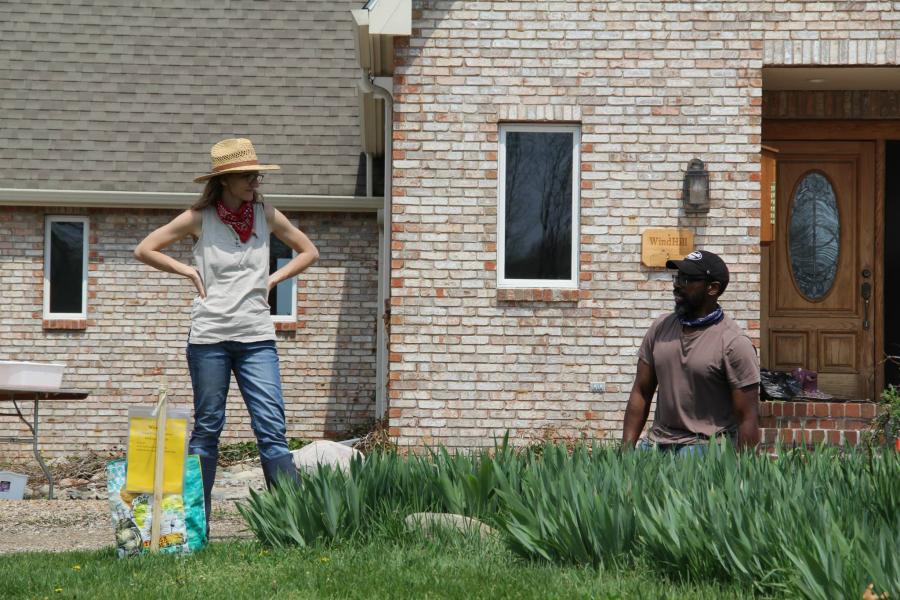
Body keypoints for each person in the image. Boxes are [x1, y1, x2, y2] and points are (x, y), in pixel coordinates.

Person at [134, 138, 319, 528]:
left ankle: (293, 526)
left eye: (256, 174)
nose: (255, 180)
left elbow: (308, 251)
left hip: (256, 336)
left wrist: (273, 279)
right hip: (209, 338)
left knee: (271, 427)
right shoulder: (199, 218)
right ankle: (194, 529)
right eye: (247, 175)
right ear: (224, 181)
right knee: (208, 429)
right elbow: (146, 248)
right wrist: (186, 270)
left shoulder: (266, 214)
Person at [622, 250, 760, 454]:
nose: (677, 285)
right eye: (677, 278)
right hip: (656, 444)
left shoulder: (734, 343)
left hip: (706, 447)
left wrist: (747, 474)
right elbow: (641, 391)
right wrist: (625, 452)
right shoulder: (660, 328)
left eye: (687, 280)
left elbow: (747, 417)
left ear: (712, 288)